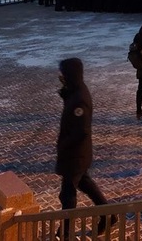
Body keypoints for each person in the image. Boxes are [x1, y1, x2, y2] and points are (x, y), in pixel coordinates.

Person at [56, 57, 115, 239]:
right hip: (77, 154)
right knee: (85, 184)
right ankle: (109, 215)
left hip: (75, 155)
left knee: (67, 195)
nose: (61, 77)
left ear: (70, 75)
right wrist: (66, 95)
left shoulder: (79, 99)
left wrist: (63, 145)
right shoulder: (75, 92)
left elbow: (81, 130)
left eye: (64, 74)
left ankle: (64, 234)